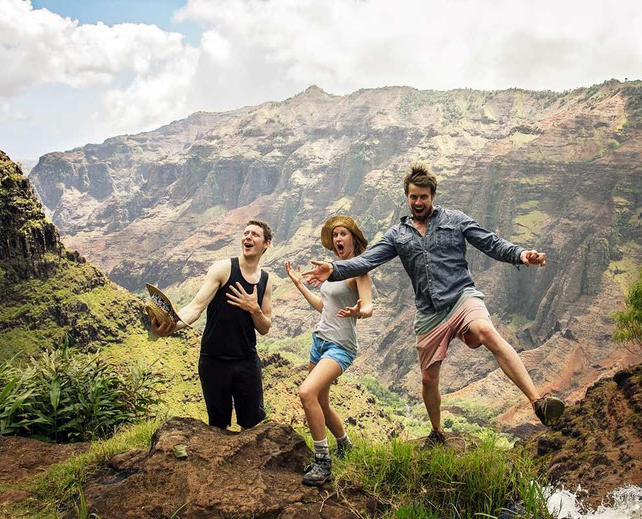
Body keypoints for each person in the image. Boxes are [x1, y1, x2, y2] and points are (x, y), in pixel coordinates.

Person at [303, 164, 565, 446]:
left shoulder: (456, 220)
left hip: (461, 296)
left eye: (423, 197)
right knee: (428, 380)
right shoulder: (397, 235)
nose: (418, 202)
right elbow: (367, 261)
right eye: (413, 197)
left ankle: (538, 402)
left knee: (486, 331)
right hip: (429, 312)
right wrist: (333, 268)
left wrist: (521, 254)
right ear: (407, 197)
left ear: (433, 195)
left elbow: (490, 243)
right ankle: (438, 432)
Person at [152, 220, 273, 431]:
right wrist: (172, 325)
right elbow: (196, 307)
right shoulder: (224, 268)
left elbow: (264, 328)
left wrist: (254, 309)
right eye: (245, 233)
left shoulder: (266, 280)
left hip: (246, 361)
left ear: (266, 244)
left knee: (252, 426)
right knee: (217, 427)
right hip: (214, 361)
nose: (248, 237)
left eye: (254, 234)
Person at [285, 215, 373, 486]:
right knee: (321, 401)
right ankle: (345, 445)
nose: (337, 239)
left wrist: (360, 311)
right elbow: (325, 307)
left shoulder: (359, 271)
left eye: (343, 234)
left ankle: (323, 460)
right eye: (334, 235)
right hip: (320, 341)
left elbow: (368, 306)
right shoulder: (333, 271)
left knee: (306, 392)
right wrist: (300, 285)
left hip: (340, 347)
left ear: (353, 239)